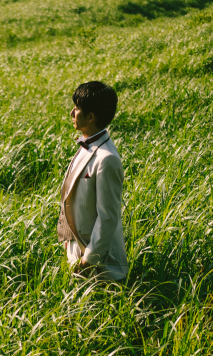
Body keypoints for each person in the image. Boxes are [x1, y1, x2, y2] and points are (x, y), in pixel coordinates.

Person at [56, 81, 128, 282]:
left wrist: (89, 260)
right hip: (77, 257)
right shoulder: (85, 146)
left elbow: (108, 217)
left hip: (101, 270)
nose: (72, 113)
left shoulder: (108, 159)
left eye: (77, 108)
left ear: (91, 117)